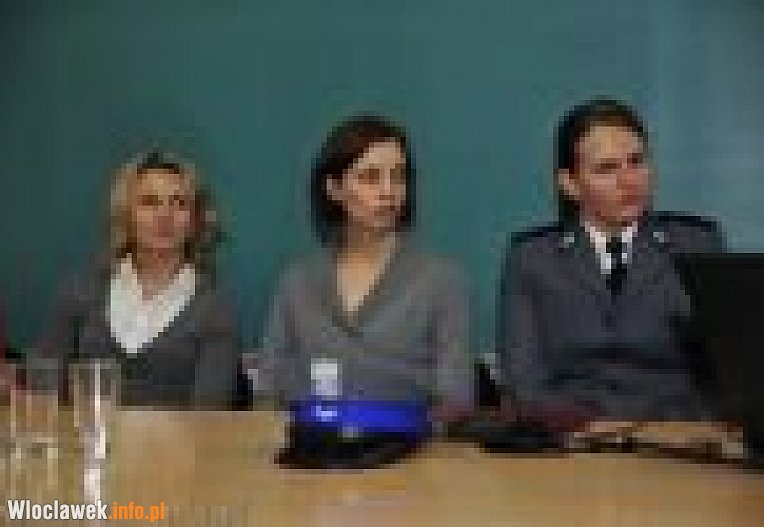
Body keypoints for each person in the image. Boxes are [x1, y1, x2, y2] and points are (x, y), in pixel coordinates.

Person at [496, 98, 725, 426]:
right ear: (570, 184)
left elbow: (721, 375)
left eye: (636, 162)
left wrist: (668, 431)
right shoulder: (532, 258)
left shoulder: (696, 244)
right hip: (572, 438)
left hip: (674, 434)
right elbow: (524, 384)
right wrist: (591, 431)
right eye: (607, 168)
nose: (629, 181)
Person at [260, 115, 473, 428]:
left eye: (398, 177)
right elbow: (270, 387)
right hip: (315, 446)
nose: (388, 191)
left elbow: (456, 398)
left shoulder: (441, 280)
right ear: (334, 189)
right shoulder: (297, 282)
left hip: (410, 448)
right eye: (370, 177)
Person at [33, 151, 239, 408]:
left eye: (179, 203)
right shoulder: (80, 290)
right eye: (150, 202)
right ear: (126, 215)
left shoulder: (215, 308)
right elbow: (42, 386)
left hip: (179, 436)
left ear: (195, 220)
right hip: (87, 433)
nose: (165, 215)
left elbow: (209, 414)